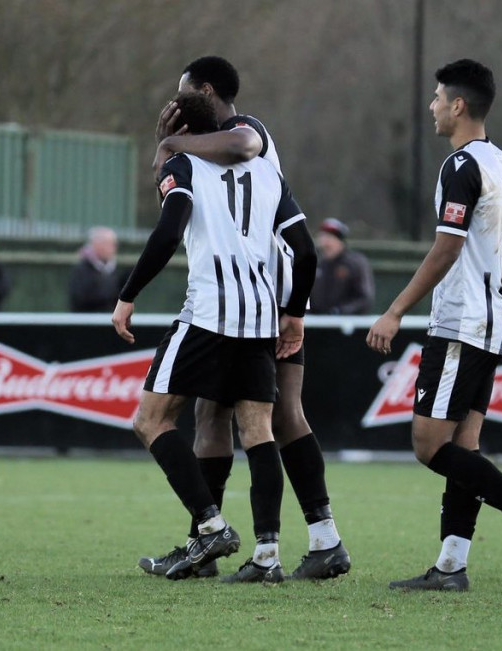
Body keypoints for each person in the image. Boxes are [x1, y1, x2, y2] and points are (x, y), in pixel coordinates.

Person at [139, 56, 351, 581]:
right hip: (243, 298)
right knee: (213, 419)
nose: (177, 103)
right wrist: (167, 148)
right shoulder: (204, 146)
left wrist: (172, 144)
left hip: (267, 295)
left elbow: (243, 148)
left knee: (279, 417)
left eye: (185, 93)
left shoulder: (244, 128)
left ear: (206, 92)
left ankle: (321, 540)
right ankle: (204, 544)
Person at [366, 59, 502, 591]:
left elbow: (448, 245)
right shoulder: (499, 161)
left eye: (437, 98)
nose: (432, 106)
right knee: (465, 446)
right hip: (492, 323)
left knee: (429, 445)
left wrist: (395, 310)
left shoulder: (459, 166)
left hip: (461, 324)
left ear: (458, 105)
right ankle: (452, 566)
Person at [112, 92, 318, 584]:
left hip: (207, 314)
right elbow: (306, 252)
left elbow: (168, 232)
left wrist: (128, 293)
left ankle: (210, 526)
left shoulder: (184, 166)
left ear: (180, 128)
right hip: (260, 318)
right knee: (257, 431)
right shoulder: (269, 172)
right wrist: (292, 313)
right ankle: (268, 555)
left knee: (150, 420)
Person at [308, 218, 375, 315]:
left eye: (330, 238)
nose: (325, 242)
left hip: (347, 324)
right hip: (316, 323)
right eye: (323, 237)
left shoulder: (355, 263)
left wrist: (340, 311)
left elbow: (364, 299)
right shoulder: (316, 264)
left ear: (340, 242)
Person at [69, 226, 123, 313]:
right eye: (110, 244)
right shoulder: (81, 270)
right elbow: (80, 300)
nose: (114, 248)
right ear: (98, 245)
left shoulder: (113, 269)